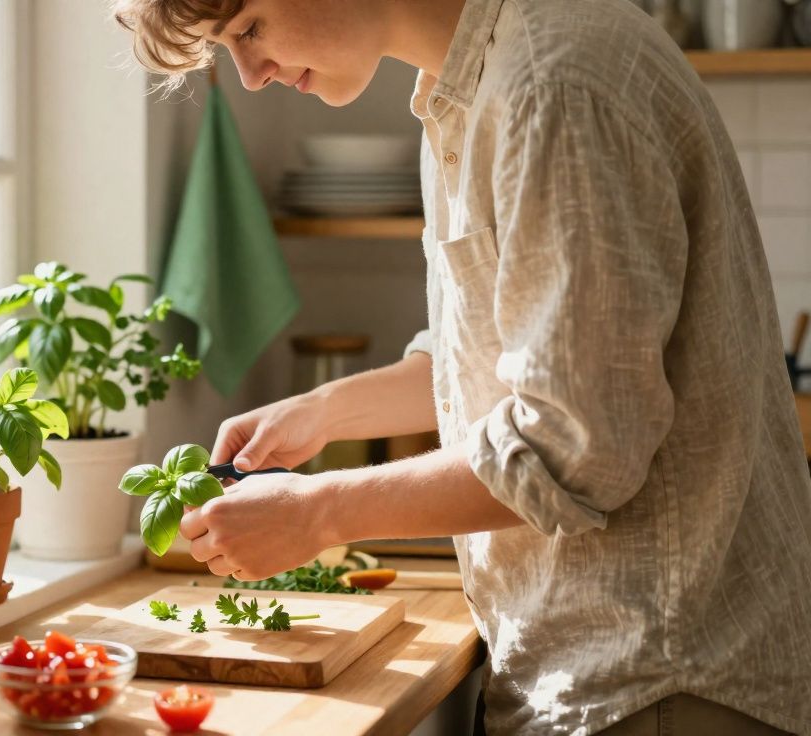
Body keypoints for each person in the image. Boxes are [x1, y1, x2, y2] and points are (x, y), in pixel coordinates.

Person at [113, 1, 811, 734]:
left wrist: (317, 511)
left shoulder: (553, 85)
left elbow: (570, 447)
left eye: (250, 28)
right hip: (607, 672)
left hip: (659, 683)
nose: (250, 77)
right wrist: (324, 411)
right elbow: (511, 354)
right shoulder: (468, 83)